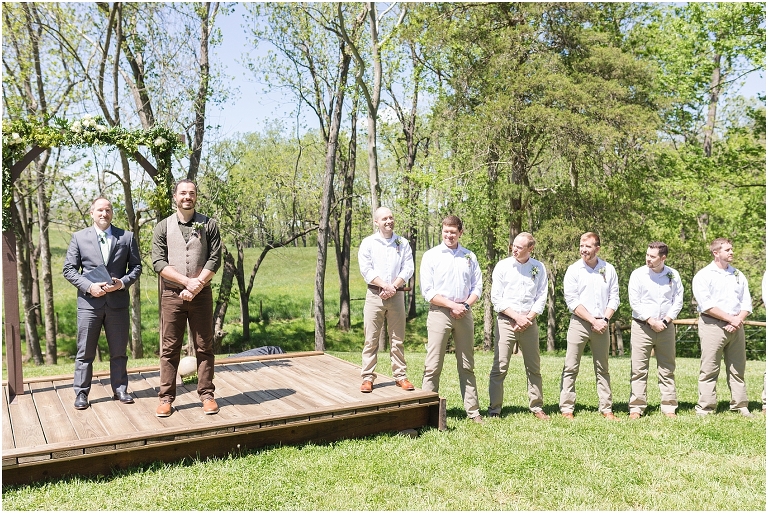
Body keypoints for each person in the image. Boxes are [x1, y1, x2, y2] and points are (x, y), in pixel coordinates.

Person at [63, 197, 142, 410]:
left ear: (112, 213)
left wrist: (122, 283)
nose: (104, 214)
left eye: (107, 210)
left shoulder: (126, 237)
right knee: (85, 352)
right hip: (89, 304)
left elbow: (136, 267)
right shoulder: (79, 238)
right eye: (100, 210)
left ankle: (120, 389)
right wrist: (89, 287)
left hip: (117, 304)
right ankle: (81, 393)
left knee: (119, 351)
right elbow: (69, 270)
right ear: (92, 213)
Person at [152, 179, 222, 417]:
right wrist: (186, 283)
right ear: (175, 197)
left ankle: (207, 394)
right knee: (170, 348)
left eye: (191, 193)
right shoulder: (162, 227)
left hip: (201, 296)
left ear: (196, 197)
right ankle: (166, 398)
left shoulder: (209, 224)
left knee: (204, 346)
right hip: (172, 296)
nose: (187, 197)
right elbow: (158, 263)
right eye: (183, 193)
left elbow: (214, 259)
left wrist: (197, 286)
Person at [420, 215, 483, 423]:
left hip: (464, 313)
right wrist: (452, 305)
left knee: (466, 365)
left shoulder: (469, 257)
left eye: (453, 232)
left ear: (460, 233)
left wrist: (464, 305)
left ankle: (473, 411)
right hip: (440, 313)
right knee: (433, 364)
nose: (449, 235)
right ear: (442, 231)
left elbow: (477, 287)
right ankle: (426, 411)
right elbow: (427, 291)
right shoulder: (431, 256)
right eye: (446, 231)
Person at [488, 232, 549, 420]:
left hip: (529, 322)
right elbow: (496, 298)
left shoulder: (538, 268)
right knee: (500, 366)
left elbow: (541, 296)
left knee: (534, 366)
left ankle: (537, 406)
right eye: (513, 245)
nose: (514, 249)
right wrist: (516, 317)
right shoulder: (503, 266)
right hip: (507, 321)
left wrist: (528, 318)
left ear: (530, 249)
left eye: (519, 247)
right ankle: (495, 409)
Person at [560, 232, 620, 420]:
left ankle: (606, 408)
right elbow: (572, 300)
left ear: (597, 248)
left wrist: (604, 320)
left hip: (602, 324)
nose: (583, 250)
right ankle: (567, 408)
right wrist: (592, 321)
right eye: (581, 246)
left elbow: (614, 298)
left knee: (602, 367)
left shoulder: (608, 269)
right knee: (571, 366)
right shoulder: (573, 270)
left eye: (588, 246)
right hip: (580, 322)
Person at [692, 238, 753, 417]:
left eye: (731, 249)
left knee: (737, 368)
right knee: (709, 368)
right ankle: (706, 407)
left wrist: (737, 320)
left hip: (736, 327)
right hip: (713, 326)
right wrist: (730, 319)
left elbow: (746, 302)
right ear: (716, 253)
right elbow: (707, 305)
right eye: (727, 250)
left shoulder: (738, 274)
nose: (731, 252)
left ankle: (740, 405)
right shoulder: (704, 275)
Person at [357, 207, 415, 393]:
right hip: (375, 296)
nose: (389, 221)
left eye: (391, 217)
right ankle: (367, 378)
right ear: (376, 222)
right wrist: (384, 285)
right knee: (371, 338)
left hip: (397, 296)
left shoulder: (402, 242)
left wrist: (393, 287)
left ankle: (400, 376)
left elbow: (408, 268)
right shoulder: (368, 243)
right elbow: (366, 270)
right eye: (384, 219)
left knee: (398, 339)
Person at [627, 242, 683, 419]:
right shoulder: (638, 274)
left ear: (663, 258)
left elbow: (678, 301)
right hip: (642, 326)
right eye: (647, 255)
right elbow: (634, 301)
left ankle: (669, 407)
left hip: (666, 327)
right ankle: (636, 407)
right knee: (638, 368)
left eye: (652, 256)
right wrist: (651, 321)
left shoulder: (673, 275)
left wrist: (665, 321)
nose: (648, 259)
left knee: (667, 368)